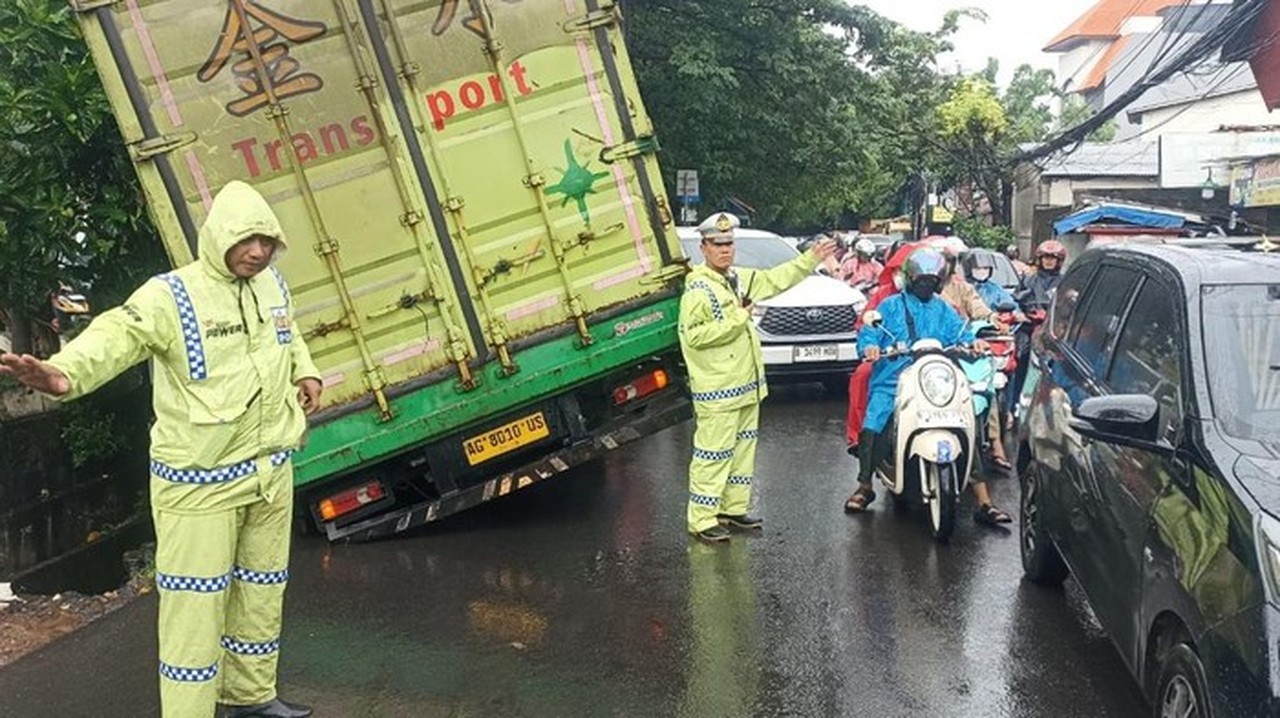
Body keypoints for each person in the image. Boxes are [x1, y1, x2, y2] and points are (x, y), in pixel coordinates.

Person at [0, 181, 320, 718]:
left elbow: (287, 336)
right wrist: (62, 374)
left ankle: (249, 697)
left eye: (266, 241)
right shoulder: (172, 296)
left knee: (261, 590)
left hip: (269, 471)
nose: (257, 252)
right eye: (246, 241)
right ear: (218, 237)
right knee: (195, 607)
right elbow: (117, 335)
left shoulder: (272, 286)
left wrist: (306, 372)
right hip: (199, 485)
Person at [680, 212, 837, 543]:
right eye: (717, 244)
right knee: (712, 455)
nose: (725, 250)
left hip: (745, 387)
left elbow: (775, 279)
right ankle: (702, 519)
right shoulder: (698, 288)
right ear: (704, 248)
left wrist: (809, 260)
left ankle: (732, 509)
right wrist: (739, 317)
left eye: (729, 243)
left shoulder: (736, 279)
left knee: (741, 453)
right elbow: (693, 336)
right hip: (718, 390)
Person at [844, 248, 1011, 526]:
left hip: (936, 379)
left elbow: (961, 332)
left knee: (967, 420)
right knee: (873, 423)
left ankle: (984, 502)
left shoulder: (943, 309)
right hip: (894, 379)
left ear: (939, 282)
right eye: (921, 280)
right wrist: (870, 346)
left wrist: (974, 342)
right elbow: (869, 333)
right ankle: (865, 486)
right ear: (911, 279)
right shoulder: (889, 306)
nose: (926, 285)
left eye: (931, 281)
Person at [1016, 240, 1067, 309]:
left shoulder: (1065, 281)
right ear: (1040, 260)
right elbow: (1017, 300)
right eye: (1046, 257)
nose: (1049, 261)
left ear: (1058, 261)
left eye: (1052, 258)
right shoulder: (1028, 280)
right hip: (1031, 315)